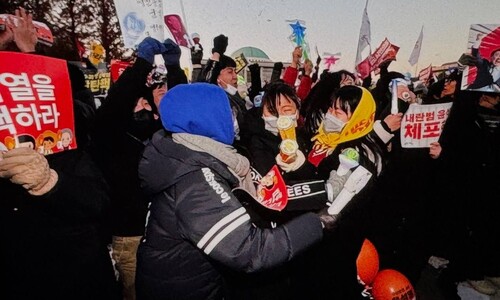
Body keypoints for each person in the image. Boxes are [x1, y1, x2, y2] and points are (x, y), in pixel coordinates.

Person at [135, 83, 351, 300]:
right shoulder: (195, 179)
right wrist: (318, 222)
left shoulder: (185, 156)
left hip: (193, 281)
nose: (234, 121)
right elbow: (250, 251)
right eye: (228, 113)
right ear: (210, 119)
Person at [89, 36, 186, 300]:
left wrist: (174, 69)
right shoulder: (110, 137)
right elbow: (117, 103)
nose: (143, 107)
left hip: (164, 234)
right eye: (136, 105)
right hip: (129, 240)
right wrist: (142, 63)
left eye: (146, 103)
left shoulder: (159, 134)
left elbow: (180, 107)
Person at [429, 90, 500, 296]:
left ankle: (489, 268)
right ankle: (470, 272)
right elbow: (458, 154)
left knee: (489, 229)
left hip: (487, 184)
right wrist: (444, 155)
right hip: (464, 188)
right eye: (492, 95)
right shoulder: (461, 119)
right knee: (468, 232)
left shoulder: (487, 119)